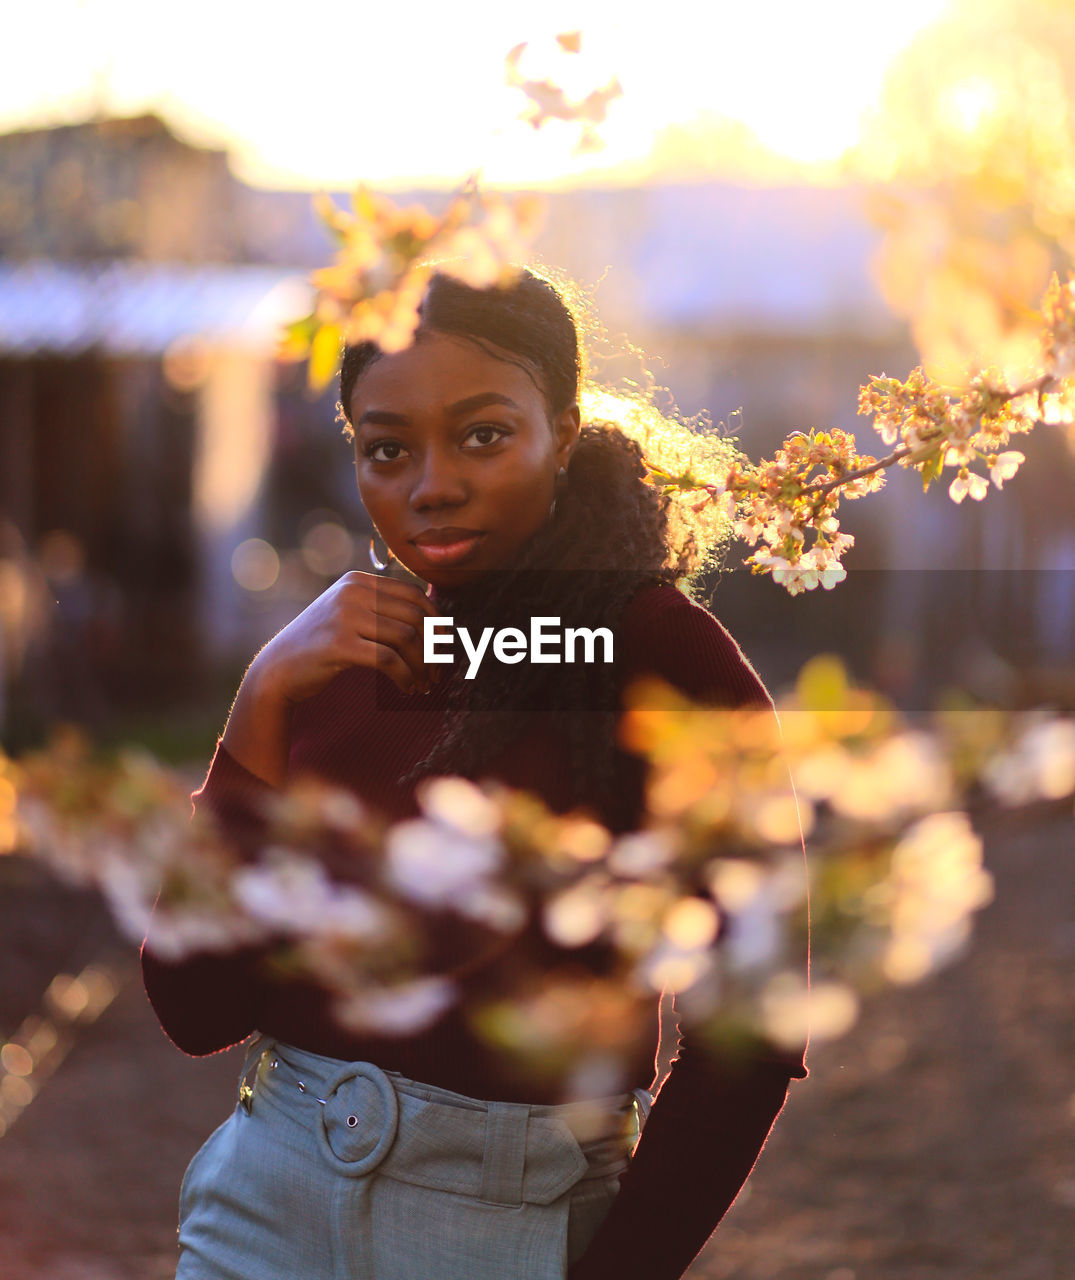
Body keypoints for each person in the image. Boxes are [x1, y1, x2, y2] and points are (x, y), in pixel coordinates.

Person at [141, 266, 809, 1280]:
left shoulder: (671, 665)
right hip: (261, 1210)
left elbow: (748, 1037)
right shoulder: (329, 663)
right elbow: (195, 1007)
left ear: (565, 433)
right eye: (387, 448)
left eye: (483, 434)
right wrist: (261, 699)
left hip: (510, 1229)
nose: (431, 483)